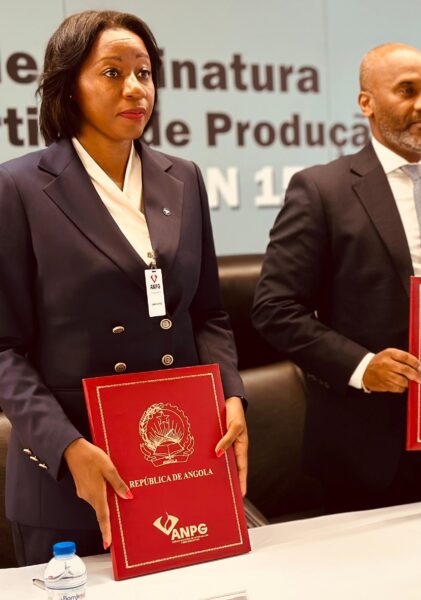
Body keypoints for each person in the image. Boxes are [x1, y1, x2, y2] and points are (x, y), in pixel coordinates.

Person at [0, 11, 248, 566]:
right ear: (69, 85)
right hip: (70, 476)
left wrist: (231, 395)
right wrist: (68, 447)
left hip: (177, 461)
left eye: (144, 72)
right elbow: (3, 349)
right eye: (112, 72)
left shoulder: (183, 176)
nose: (136, 88)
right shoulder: (17, 187)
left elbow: (207, 313)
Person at [252, 43, 421, 513]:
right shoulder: (322, 189)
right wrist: (363, 367)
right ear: (367, 103)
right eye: (407, 90)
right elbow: (274, 309)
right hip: (372, 445)